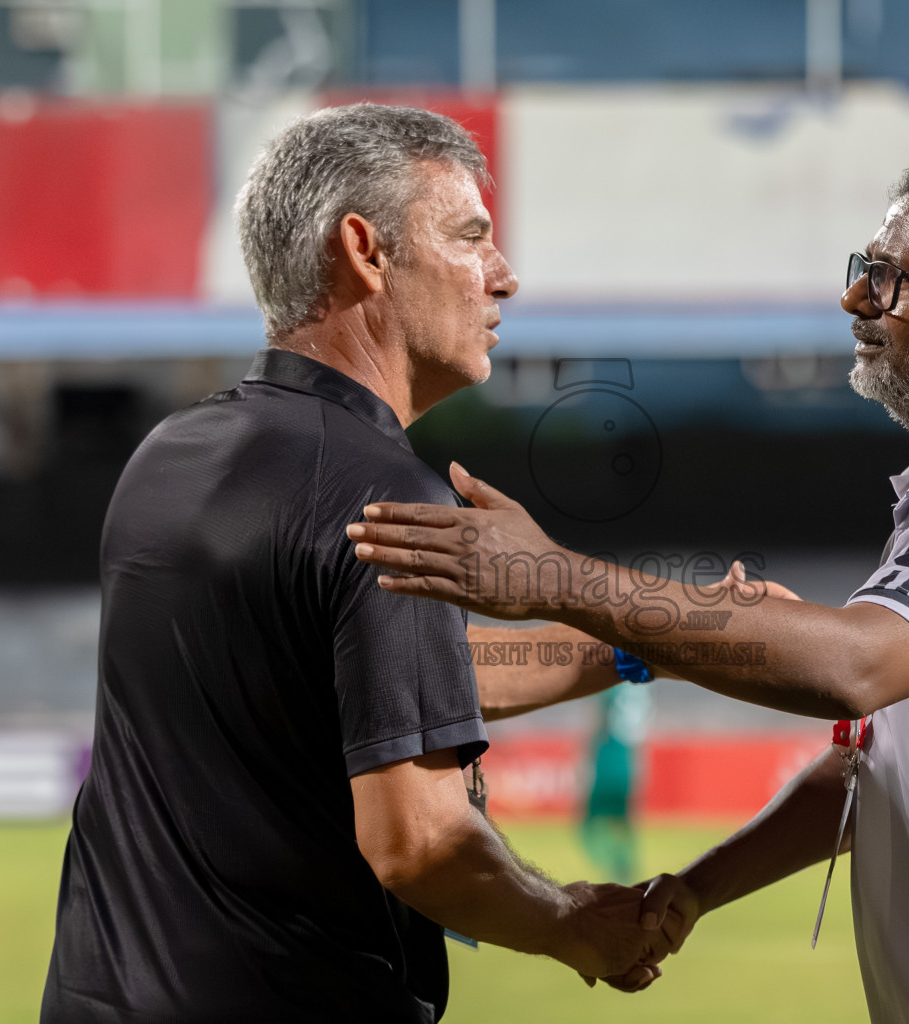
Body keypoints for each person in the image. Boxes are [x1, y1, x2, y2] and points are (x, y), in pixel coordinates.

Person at [346, 145, 909, 1023]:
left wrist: (547, 575)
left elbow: (851, 670)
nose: (855, 300)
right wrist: (692, 891)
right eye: (864, 271)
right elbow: (874, 767)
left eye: (892, 280)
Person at [41, 104, 676, 1024]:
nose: (503, 277)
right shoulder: (386, 497)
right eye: (470, 238)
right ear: (366, 250)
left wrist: (638, 645)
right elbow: (420, 846)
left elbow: (377, 686)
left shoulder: (170, 455)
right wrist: (574, 923)